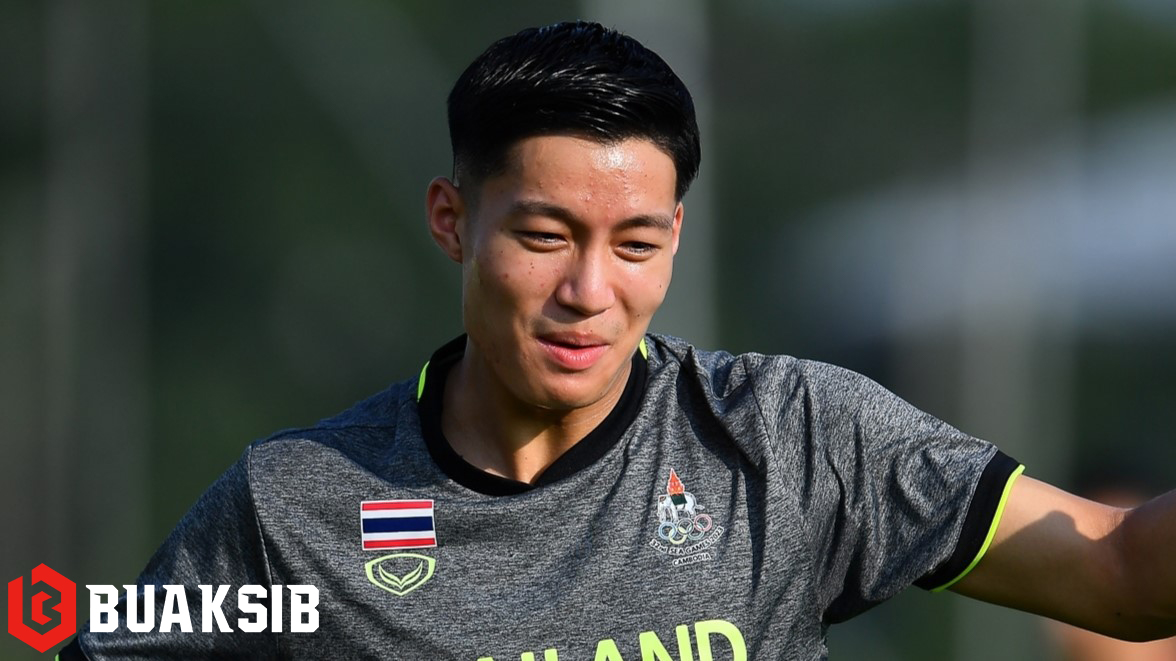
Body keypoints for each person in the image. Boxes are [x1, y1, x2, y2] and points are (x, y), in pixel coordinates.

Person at [61, 21, 1176, 660]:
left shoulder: (794, 439)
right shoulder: (290, 510)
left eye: (635, 243)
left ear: (676, 236)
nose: (589, 291)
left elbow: (1123, 573)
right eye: (545, 236)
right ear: (453, 220)